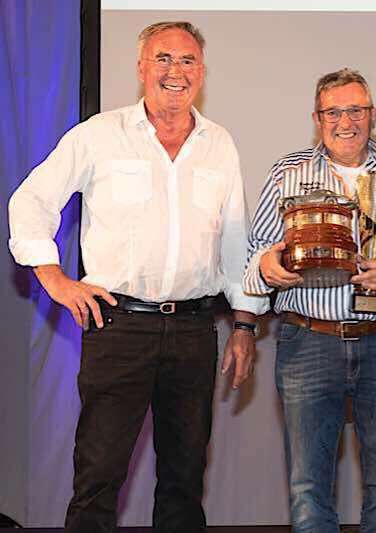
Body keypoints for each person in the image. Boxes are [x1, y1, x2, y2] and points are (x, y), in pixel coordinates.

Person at [8, 21, 261, 532]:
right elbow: (30, 200)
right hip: (119, 326)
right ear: (141, 67)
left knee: (185, 480)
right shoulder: (99, 135)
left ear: (202, 73)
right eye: (163, 59)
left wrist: (245, 323)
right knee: (99, 475)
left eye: (187, 61)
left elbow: (235, 243)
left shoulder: (220, 145)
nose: (175, 72)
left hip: (194, 331)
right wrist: (54, 276)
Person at [243, 67, 376, 533]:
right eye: (333, 112)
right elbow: (254, 255)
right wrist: (269, 266)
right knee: (308, 487)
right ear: (316, 117)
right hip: (308, 341)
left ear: (373, 114)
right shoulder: (289, 173)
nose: (345, 121)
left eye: (356, 110)